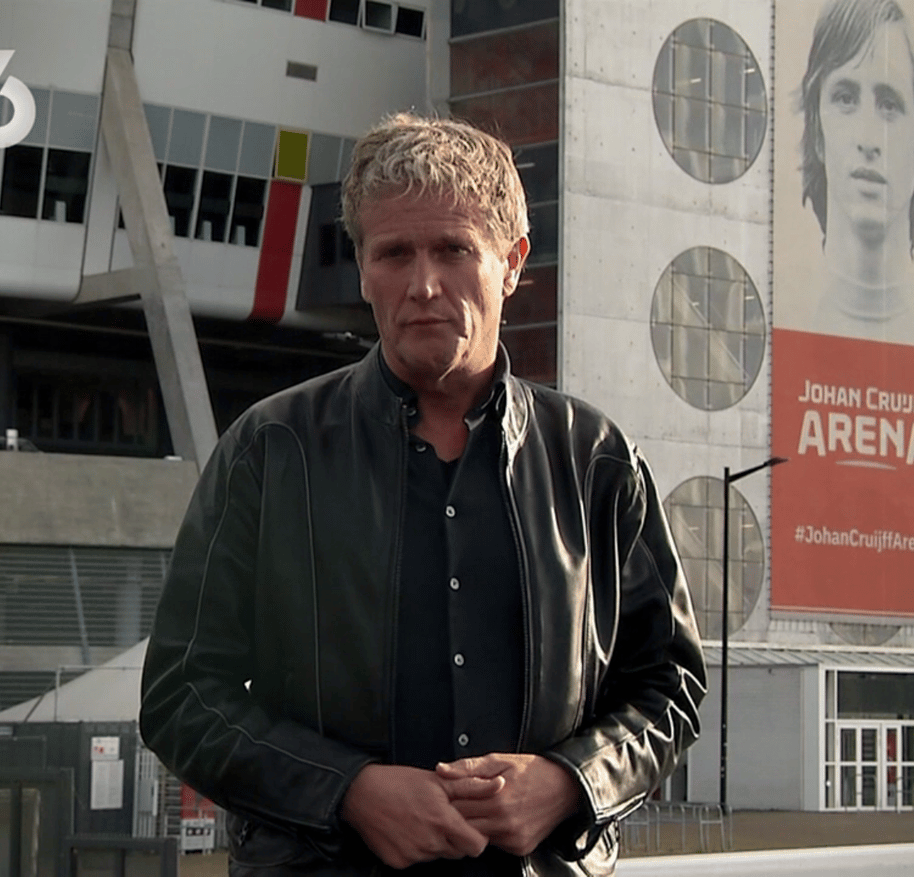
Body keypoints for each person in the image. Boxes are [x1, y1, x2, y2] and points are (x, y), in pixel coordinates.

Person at [140, 112, 707, 876]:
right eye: (395, 253)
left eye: (453, 250)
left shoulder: (596, 460)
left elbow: (668, 687)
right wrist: (347, 791)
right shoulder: (271, 451)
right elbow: (182, 694)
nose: (423, 285)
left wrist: (569, 782)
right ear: (364, 265)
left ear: (513, 262)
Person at [798, 0, 914, 338]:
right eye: (846, 98)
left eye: (889, 104)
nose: (868, 140)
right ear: (818, 133)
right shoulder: (792, 315)